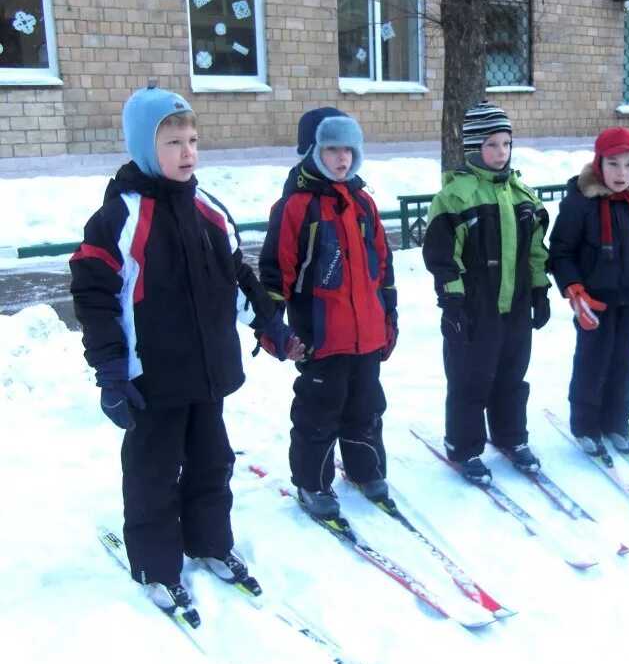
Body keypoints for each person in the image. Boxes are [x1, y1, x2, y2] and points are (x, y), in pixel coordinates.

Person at [70, 83, 301, 620]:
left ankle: (210, 543)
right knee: (153, 474)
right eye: (173, 142)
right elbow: (94, 297)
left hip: (208, 373)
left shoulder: (209, 209)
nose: (188, 152)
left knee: (211, 463)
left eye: (193, 140)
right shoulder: (118, 219)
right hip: (151, 380)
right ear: (145, 148)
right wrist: (110, 372)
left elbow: (238, 277)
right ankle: (156, 566)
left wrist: (271, 324)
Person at [259, 107, 397, 521]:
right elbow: (273, 274)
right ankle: (313, 483)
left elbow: (383, 269)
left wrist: (388, 320)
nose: (342, 159)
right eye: (331, 149)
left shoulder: (363, 204)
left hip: (367, 336)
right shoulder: (296, 207)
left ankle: (365, 469)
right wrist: (274, 330)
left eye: (348, 150)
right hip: (319, 339)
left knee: (367, 408)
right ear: (311, 151)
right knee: (319, 415)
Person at [422, 100, 551, 484]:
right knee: (470, 377)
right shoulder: (456, 197)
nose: (500, 153)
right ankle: (463, 446)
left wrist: (541, 291)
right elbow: (443, 256)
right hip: (475, 308)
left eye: (506, 144)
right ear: (475, 148)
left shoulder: (523, 195)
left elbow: (536, 250)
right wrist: (452, 303)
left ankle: (511, 436)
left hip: (516, 305)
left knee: (512, 374)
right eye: (492, 145)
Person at [549, 127, 629, 458]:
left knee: (625, 364)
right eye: (613, 164)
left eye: (628, 164)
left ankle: (617, 422)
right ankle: (586, 425)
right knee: (593, 364)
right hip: (594, 305)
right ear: (598, 164)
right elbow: (561, 252)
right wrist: (575, 290)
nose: (622, 173)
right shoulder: (581, 203)